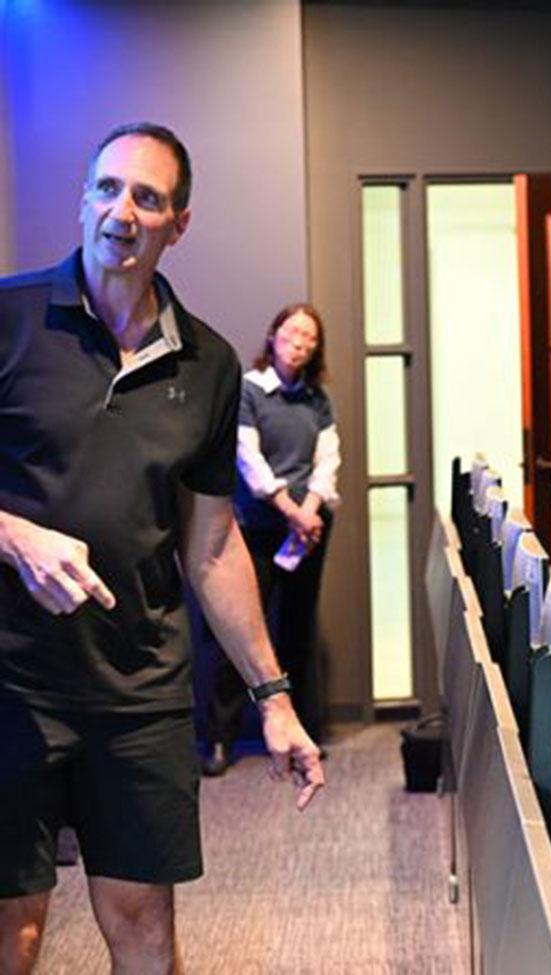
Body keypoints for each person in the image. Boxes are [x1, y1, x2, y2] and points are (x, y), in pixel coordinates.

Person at [0, 122, 323, 973]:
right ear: (82, 199)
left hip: (138, 690)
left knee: (143, 929)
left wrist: (274, 696)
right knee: (14, 932)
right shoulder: (9, 317)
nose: (122, 211)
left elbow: (213, 547)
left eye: (148, 197)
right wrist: (13, 534)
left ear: (179, 223)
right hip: (10, 682)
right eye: (108, 189)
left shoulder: (211, 364)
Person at [202, 303, 341, 776]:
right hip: (259, 525)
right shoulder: (249, 389)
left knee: (298, 630)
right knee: (239, 629)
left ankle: (305, 734)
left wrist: (309, 511)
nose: (299, 343)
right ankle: (219, 740)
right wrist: (288, 508)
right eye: (292, 333)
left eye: (309, 337)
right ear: (273, 335)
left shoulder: (318, 399)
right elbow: (248, 459)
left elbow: (327, 461)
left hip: (309, 525)